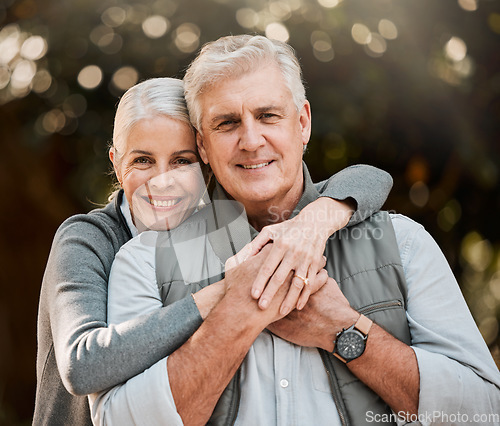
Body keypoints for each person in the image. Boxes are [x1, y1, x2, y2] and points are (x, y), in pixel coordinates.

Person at [90, 35, 500, 426]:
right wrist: (238, 314)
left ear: (302, 123)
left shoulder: (402, 243)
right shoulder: (143, 261)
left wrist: (342, 331)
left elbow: (483, 412)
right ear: (202, 146)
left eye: (268, 115)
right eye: (227, 123)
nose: (251, 140)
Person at [34, 74, 395, 425]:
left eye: (181, 161)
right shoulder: (87, 238)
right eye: (142, 161)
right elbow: (81, 366)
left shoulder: (218, 229)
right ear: (115, 161)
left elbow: (372, 178)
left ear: (205, 157)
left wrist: (316, 220)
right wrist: (229, 291)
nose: (163, 181)